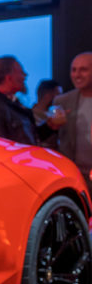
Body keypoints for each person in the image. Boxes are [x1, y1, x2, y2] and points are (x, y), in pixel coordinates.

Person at [0, 55, 64, 145]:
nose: (25, 75)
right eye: (21, 72)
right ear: (9, 78)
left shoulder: (12, 103)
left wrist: (49, 127)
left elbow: (28, 138)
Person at [54, 51, 92, 189]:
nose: (77, 75)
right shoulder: (62, 101)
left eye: (83, 70)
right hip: (74, 175)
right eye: (74, 70)